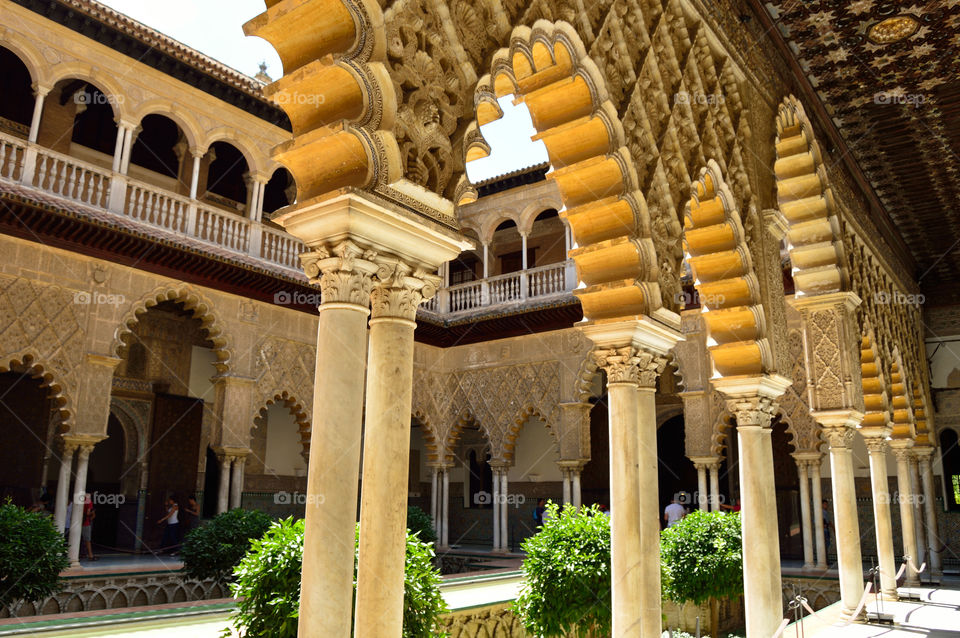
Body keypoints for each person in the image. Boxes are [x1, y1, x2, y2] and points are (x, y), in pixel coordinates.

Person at [81, 493, 97, 561]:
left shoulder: (80, 501)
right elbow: (88, 513)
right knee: (87, 540)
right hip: (85, 523)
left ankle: (81, 553)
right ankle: (90, 555)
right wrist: (93, 512)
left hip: (77, 522)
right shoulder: (89, 502)